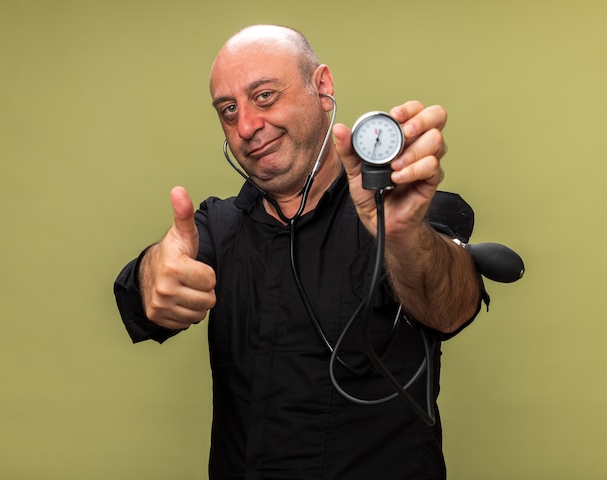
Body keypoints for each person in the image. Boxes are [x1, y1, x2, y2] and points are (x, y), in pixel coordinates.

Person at [114, 24, 487, 480]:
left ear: (322, 87)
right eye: (229, 110)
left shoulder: (406, 211)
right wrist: (156, 272)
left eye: (265, 96)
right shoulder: (218, 226)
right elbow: (147, 288)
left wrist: (405, 236)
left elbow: (451, 306)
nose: (247, 125)